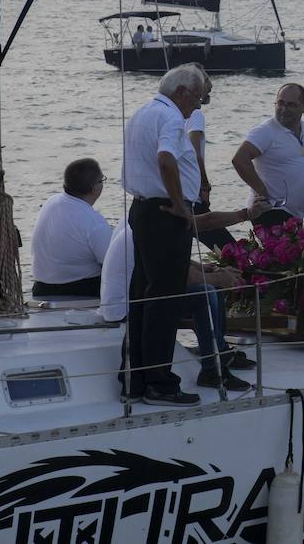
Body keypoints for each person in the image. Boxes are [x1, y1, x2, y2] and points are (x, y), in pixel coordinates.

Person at [119, 64, 207, 406]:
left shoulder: (143, 113)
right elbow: (166, 160)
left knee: (143, 295)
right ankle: (160, 382)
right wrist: (180, 204)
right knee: (164, 299)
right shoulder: (171, 118)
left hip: (143, 210)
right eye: (197, 97)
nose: (198, 106)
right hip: (164, 214)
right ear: (181, 92)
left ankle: (137, 377)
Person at [100, 207, 261, 393]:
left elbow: (177, 260)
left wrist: (207, 269)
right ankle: (211, 370)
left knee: (211, 288)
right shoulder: (157, 230)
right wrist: (220, 278)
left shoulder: (148, 224)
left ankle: (221, 354)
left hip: (137, 297)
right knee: (204, 294)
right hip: (127, 308)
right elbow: (183, 276)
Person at [232, 83, 304, 227]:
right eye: (280, 103)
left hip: (297, 214)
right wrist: (261, 190)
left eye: (291, 105)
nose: (284, 109)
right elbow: (240, 159)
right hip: (272, 210)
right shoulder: (266, 131)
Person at [30, 158, 112, 297]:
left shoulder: (51, 202)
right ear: (94, 189)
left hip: (41, 287)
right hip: (80, 289)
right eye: (102, 180)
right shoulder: (94, 222)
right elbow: (112, 265)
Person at [183, 67, 234, 252]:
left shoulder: (178, 113)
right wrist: (204, 183)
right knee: (227, 248)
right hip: (193, 195)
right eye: (205, 81)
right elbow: (195, 150)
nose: (210, 85)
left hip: (180, 193)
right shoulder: (196, 115)